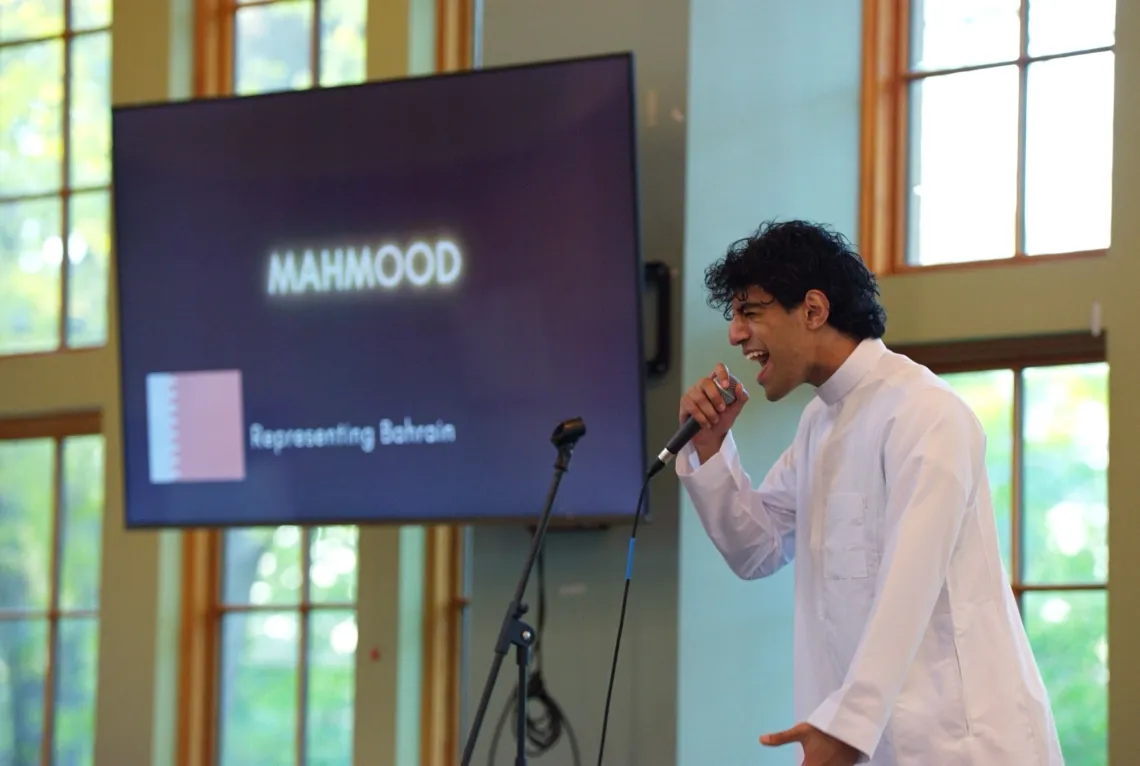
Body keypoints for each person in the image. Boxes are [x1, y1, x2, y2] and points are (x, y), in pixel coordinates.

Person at [675, 220, 1063, 765]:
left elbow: (910, 585)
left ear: (812, 310)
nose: (736, 335)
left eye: (750, 312)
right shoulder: (819, 422)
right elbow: (755, 550)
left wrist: (845, 729)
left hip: (965, 745)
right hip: (872, 743)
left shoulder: (926, 412)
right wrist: (713, 449)